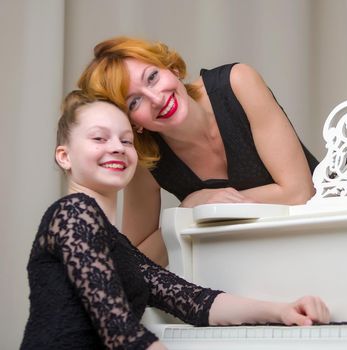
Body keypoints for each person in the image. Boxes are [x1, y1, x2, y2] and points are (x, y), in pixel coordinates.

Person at [20, 91, 330, 350]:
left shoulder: (117, 245)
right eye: (99, 138)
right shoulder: (73, 212)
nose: (116, 147)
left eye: (126, 141)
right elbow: (121, 333)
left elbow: (195, 302)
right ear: (64, 156)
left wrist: (281, 310)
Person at [78, 36, 319, 266]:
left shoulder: (238, 83)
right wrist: (187, 210)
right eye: (134, 102)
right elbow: (136, 262)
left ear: (171, 69)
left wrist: (208, 209)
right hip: (250, 265)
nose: (156, 99)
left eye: (152, 77)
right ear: (131, 123)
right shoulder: (146, 159)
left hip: (325, 229)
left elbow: (299, 193)